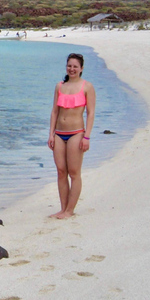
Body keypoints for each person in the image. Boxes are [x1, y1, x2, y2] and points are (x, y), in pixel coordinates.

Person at [47, 53, 96, 219]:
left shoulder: (87, 87)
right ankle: (62, 209)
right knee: (61, 171)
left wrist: (87, 137)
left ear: (81, 68)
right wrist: (51, 134)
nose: (72, 69)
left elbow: (90, 114)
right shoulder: (59, 86)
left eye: (75, 66)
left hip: (76, 133)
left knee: (74, 172)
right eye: (69, 66)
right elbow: (54, 112)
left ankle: (70, 210)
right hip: (59, 134)